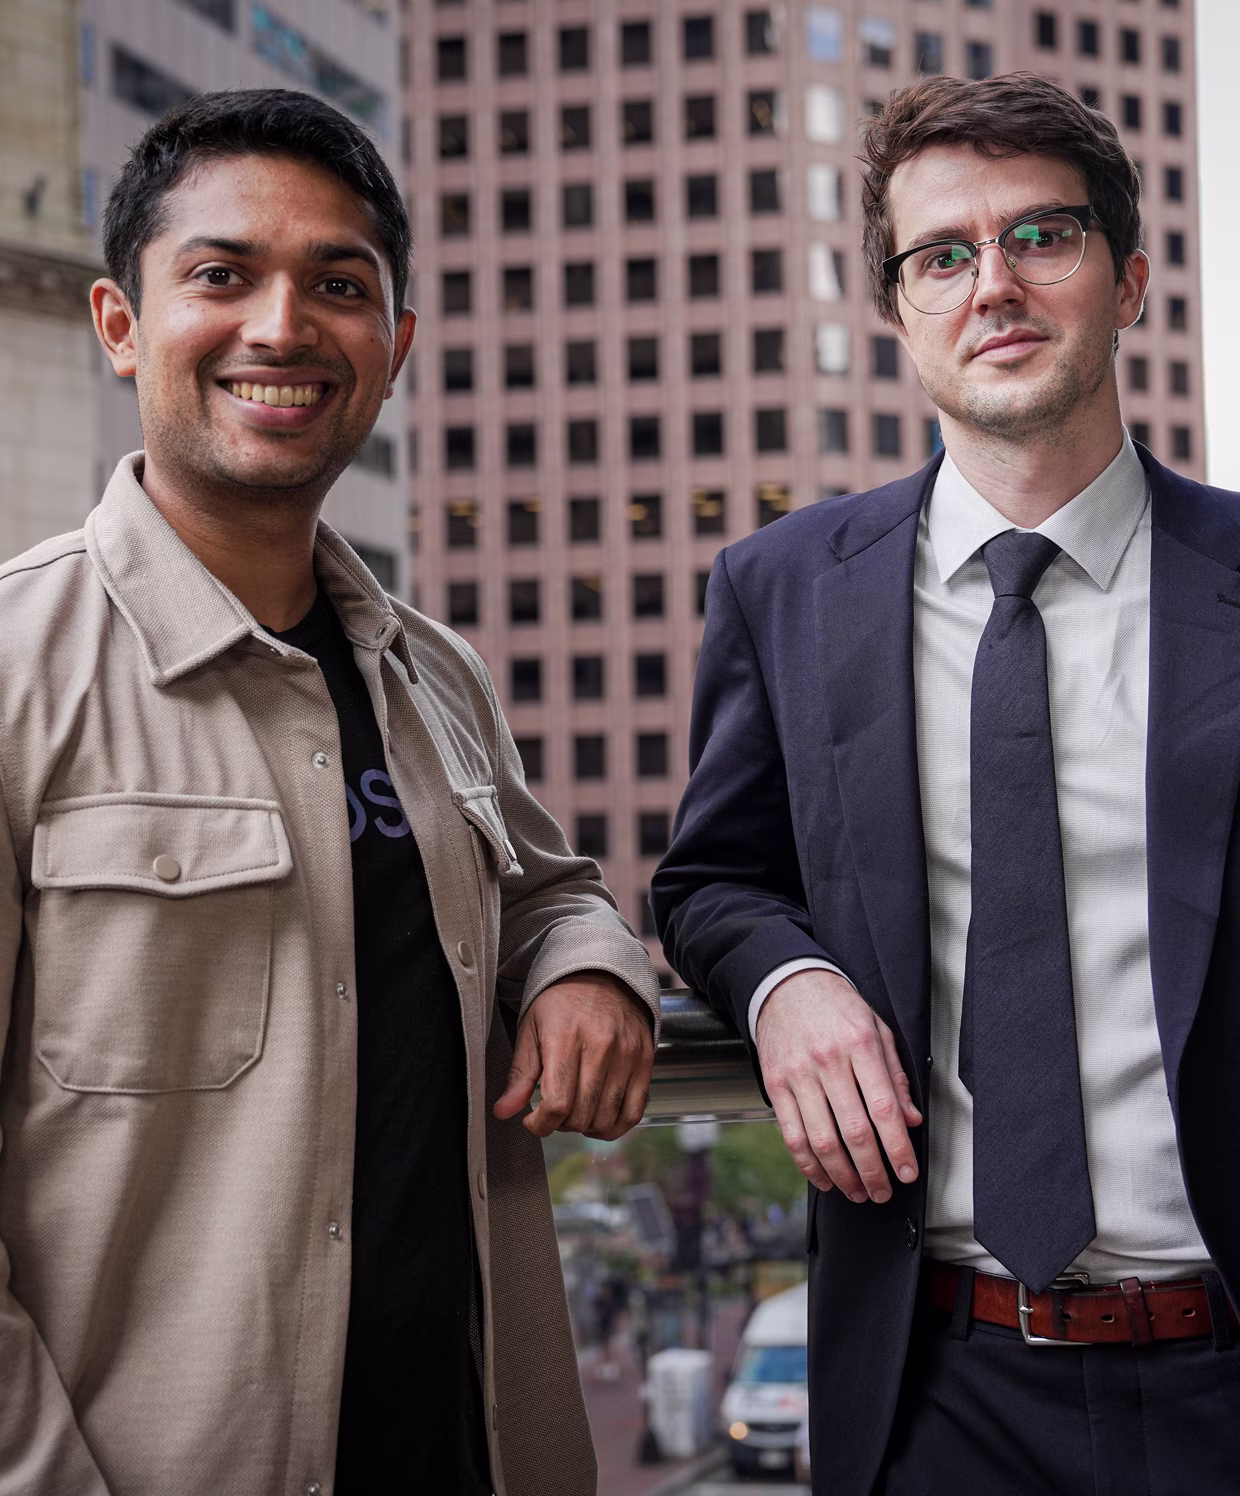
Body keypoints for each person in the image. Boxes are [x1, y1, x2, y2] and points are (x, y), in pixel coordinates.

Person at [0, 90, 659, 1496]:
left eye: (340, 286)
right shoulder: (14, 675)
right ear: (120, 324)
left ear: (395, 346)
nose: (283, 327)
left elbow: (547, 888)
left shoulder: (438, 675)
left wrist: (588, 968)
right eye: (223, 275)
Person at [652, 72, 1240, 1496]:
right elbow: (710, 880)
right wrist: (784, 985)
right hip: (937, 1387)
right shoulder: (781, 588)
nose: (996, 286)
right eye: (942, 255)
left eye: (1044, 236)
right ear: (899, 305)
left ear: (1131, 277)